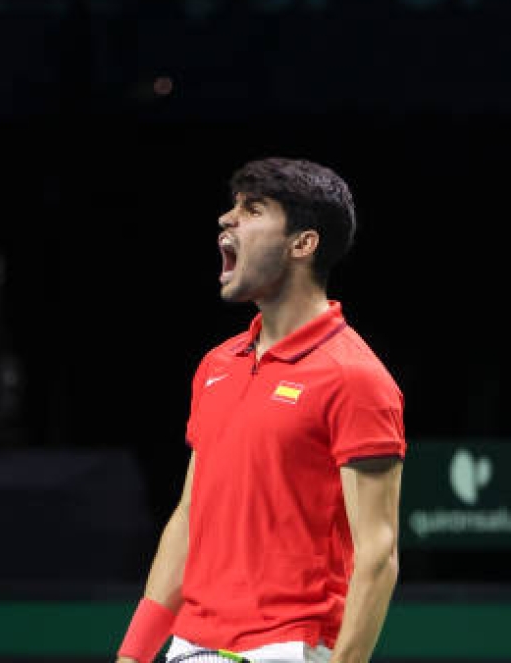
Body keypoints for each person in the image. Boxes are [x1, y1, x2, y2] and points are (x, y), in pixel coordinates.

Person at [116, 158, 406, 663]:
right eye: (232, 207)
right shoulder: (216, 366)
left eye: (251, 210)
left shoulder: (355, 377)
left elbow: (377, 556)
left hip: (290, 646)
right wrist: (135, 653)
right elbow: (190, 517)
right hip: (193, 646)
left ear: (303, 243)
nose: (227, 220)